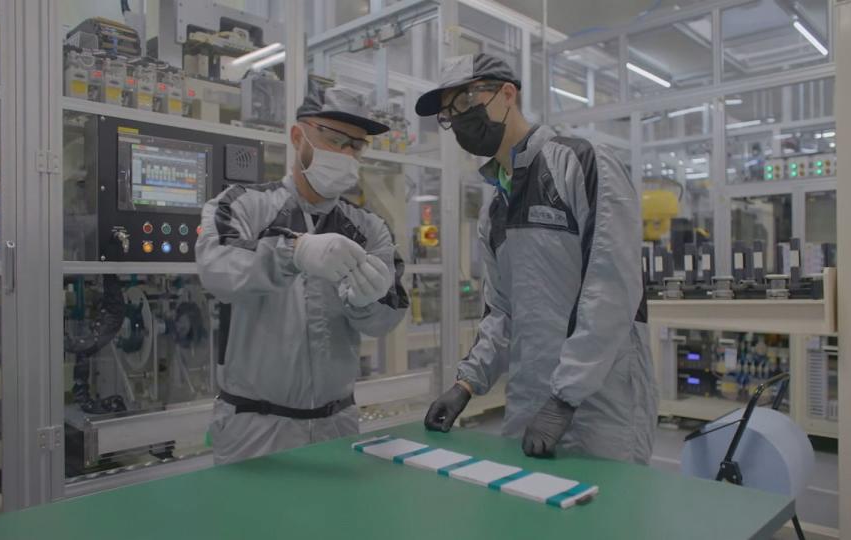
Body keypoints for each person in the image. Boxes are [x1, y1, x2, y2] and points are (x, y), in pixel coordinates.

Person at [417, 53, 656, 463]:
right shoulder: (495, 210)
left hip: (601, 403)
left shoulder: (581, 163)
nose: (457, 119)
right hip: (529, 400)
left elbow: (612, 288)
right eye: (448, 113)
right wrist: (467, 384)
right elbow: (502, 312)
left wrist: (566, 397)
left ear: (507, 94)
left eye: (464, 103)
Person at [196, 82, 408, 465]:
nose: (346, 154)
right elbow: (217, 269)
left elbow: (386, 318)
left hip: (337, 425)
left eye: (355, 146)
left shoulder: (369, 228)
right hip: (255, 430)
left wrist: (367, 303)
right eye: (334, 139)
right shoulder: (242, 206)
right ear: (298, 136)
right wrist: (291, 252)